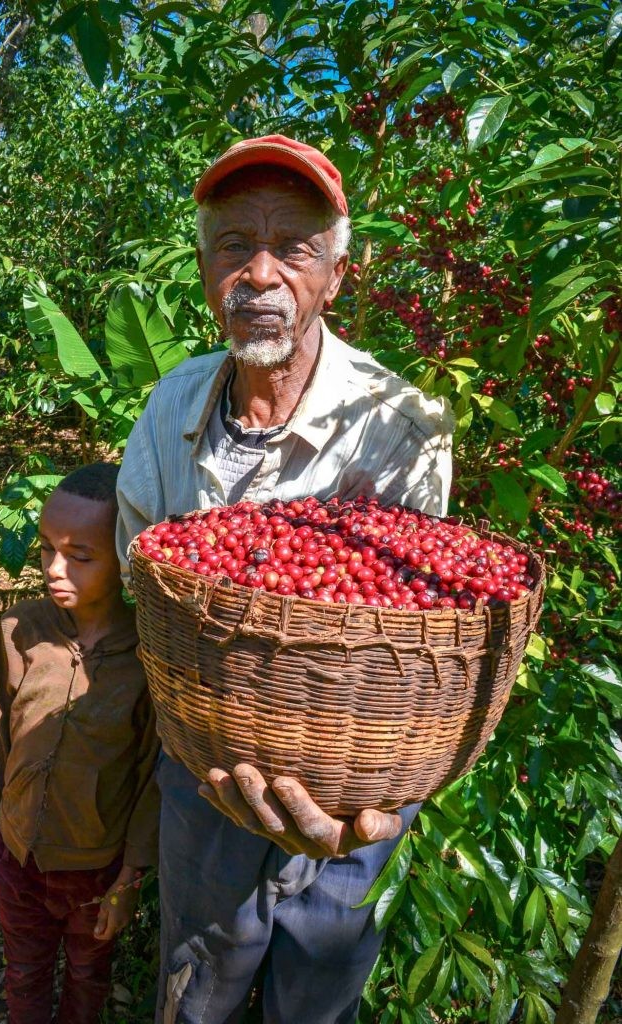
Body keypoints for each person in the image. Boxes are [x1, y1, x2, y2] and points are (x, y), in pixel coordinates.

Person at [116, 135, 454, 1024]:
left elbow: (408, 638)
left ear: (334, 276)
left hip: (351, 774)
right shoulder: (169, 409)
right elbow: (140, 577)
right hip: (203, 765)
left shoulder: (399, 423)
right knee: (199, 976)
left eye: (292, 248)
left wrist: (368, 798)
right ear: (203, 269)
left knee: (315, 989)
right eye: (233, 244)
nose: (259, 273)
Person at [0, 463, 160, 1024]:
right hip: (17, 854)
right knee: (22, 974)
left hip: (96, 871)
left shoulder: (147, 659)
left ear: (124, 557)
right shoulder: (18, 631)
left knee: (88, 977)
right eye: (47, 548)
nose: (54, 568)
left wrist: (129, 879)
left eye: (80, 555)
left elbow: (150, 777)